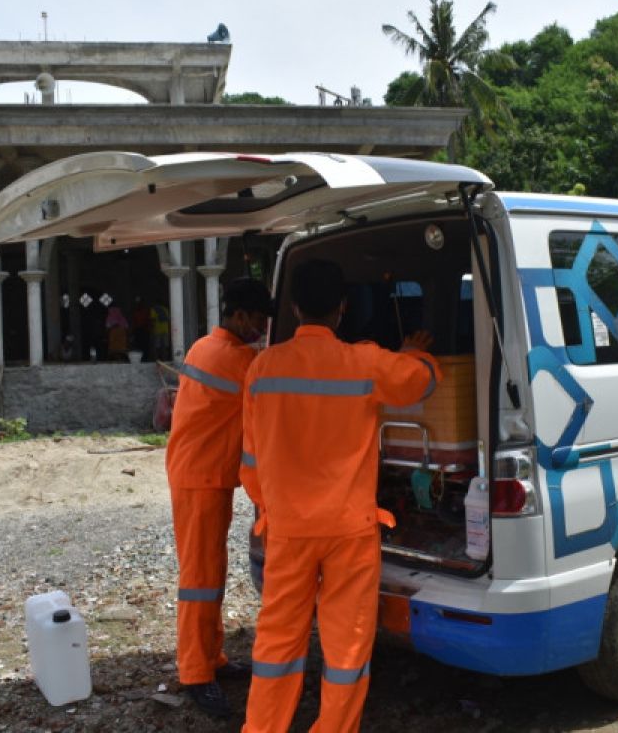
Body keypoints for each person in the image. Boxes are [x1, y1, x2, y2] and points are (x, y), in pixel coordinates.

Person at [239, 259, 440, 733]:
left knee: (276, 644)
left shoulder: (262, 369)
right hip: (349, 531)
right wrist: (417, 353)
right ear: (343, 308)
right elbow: (422, 382)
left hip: (287, 529)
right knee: (346, 647)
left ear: (293, 307)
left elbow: (250, 463)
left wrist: (273, 510)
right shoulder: (364, 362)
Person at [165, 277, 273, 719]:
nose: (263, 329)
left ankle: (212, 658)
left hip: (202, 474)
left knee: (211, 573)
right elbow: (274, 377)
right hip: (199, 477)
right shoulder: (235, 359)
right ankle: (194, 673)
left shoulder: (204, 346)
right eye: (261, 321)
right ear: (243, 317)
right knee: (199, 580)